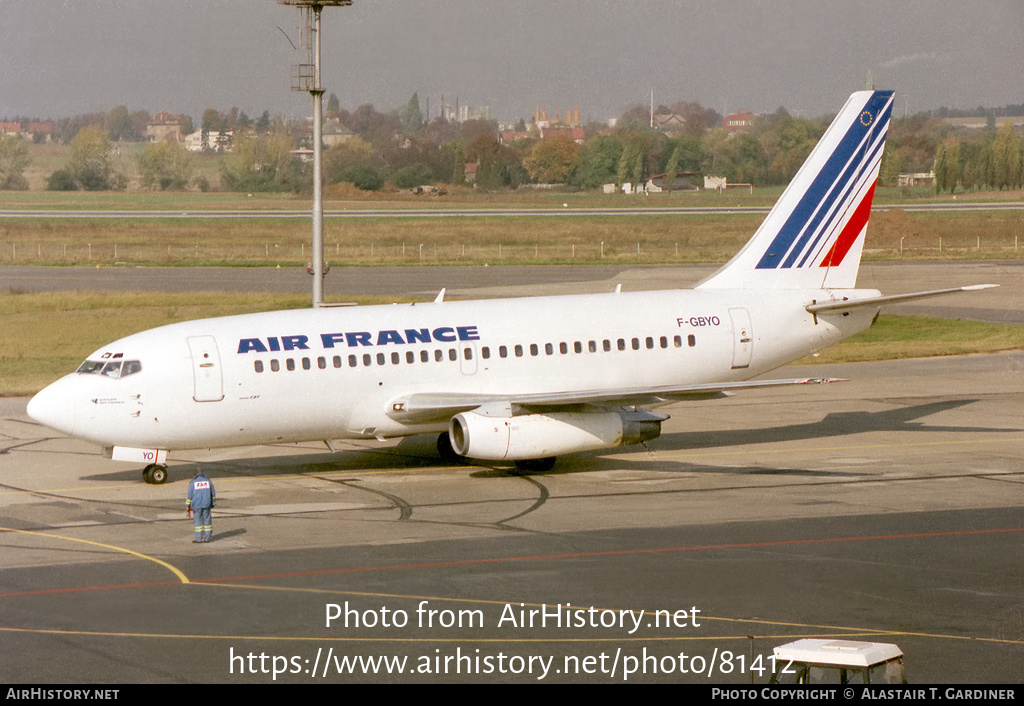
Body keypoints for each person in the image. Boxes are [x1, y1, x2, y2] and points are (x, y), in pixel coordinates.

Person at [186, 471, 216, 543]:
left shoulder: (193, 482)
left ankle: (199, 539)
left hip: (197, 505)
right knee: (207, 521)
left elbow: (190, 495)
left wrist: (188, 505)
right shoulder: (208, 481)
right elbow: (213, 493)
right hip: (206, 504)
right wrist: (212, 503)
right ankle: (207, 538)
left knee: (198, 522)